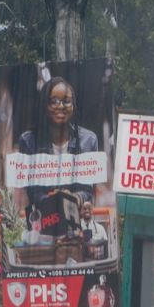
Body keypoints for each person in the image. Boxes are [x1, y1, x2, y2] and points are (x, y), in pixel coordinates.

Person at [18, 76, 99, 226]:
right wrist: (54, 200)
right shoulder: (28, 141)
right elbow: (32, 192)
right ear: (44, 106)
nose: (60, 106)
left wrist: (73, 198)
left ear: (73, 105)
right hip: (43, 224)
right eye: (54, 101)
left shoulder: (89, 140)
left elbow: (87, 190)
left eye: (66, 101)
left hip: (76, 222)